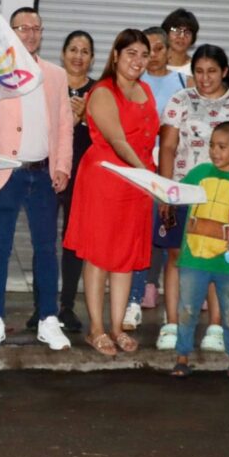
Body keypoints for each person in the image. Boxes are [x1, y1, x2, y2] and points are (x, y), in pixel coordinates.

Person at [0, 7, 73, 352]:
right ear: (10, 32)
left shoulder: (55, 75)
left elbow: (64, 127)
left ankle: (48, 318)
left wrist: (62, 166)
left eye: (36, 28)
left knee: (46, 249)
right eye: (22, 28)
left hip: (43, 173)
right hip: (6, 172)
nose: (30, 34)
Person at [158, 45, 229, 353]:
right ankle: (172, 324)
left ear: (225, 72)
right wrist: (167, 191)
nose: (204, 78)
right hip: (185, 191)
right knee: (177, 256)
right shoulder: (180, 100)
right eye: (199, 71)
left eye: (212, 71)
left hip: (225, 197)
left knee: (217, 257)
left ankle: (216, 326)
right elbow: (167, 146)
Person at [63, 29, 157, 356]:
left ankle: (117, 328)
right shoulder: (102, 92)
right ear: (116, 55)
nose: (138, 61)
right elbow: (118, 141)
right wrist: (146, 175)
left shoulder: (146, 90)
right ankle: (97, 329)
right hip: (107, 179)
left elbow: (148, 137)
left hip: (138, 183)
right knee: (99, 255)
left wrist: (150, 177)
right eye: (131, 53)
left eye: (144, 55)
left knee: (125, 257)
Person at [170, 122, 229, 379]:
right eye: (212, 145)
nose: (214, 152)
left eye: (222, 147)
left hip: (228, 262)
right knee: (187, 309)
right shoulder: (199, 172)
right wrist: (160, 192)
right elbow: (177, 194)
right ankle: (181, 357)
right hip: (193, 258)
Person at [136, 27, 190, 313]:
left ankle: (166, 285)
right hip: (139, 162)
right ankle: (145, 283)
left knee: (166, 221)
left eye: (159, 48)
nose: (154, 55)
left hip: (171, 163)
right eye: (148, 49)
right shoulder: (132, 80)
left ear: (169, 51)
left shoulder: (183, 81)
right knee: (142, 225)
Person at [56, 30, 98, 333]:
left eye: (85, 51)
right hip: (50, 172)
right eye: (73, 49)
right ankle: (42, 307)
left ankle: (66, 306)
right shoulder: (50, 84)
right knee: (44, 241)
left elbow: (107, 135)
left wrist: (86, 118)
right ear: (62, 53)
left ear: (92, 59)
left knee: (73, 242)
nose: (78, 56)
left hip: (83, 177)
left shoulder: (98, 92)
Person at [162, 8, 200, 82]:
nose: (182, 36)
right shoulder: (154, 64)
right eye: (176, 30)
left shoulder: (196, 68)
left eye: (187, 32)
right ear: (166, 33)